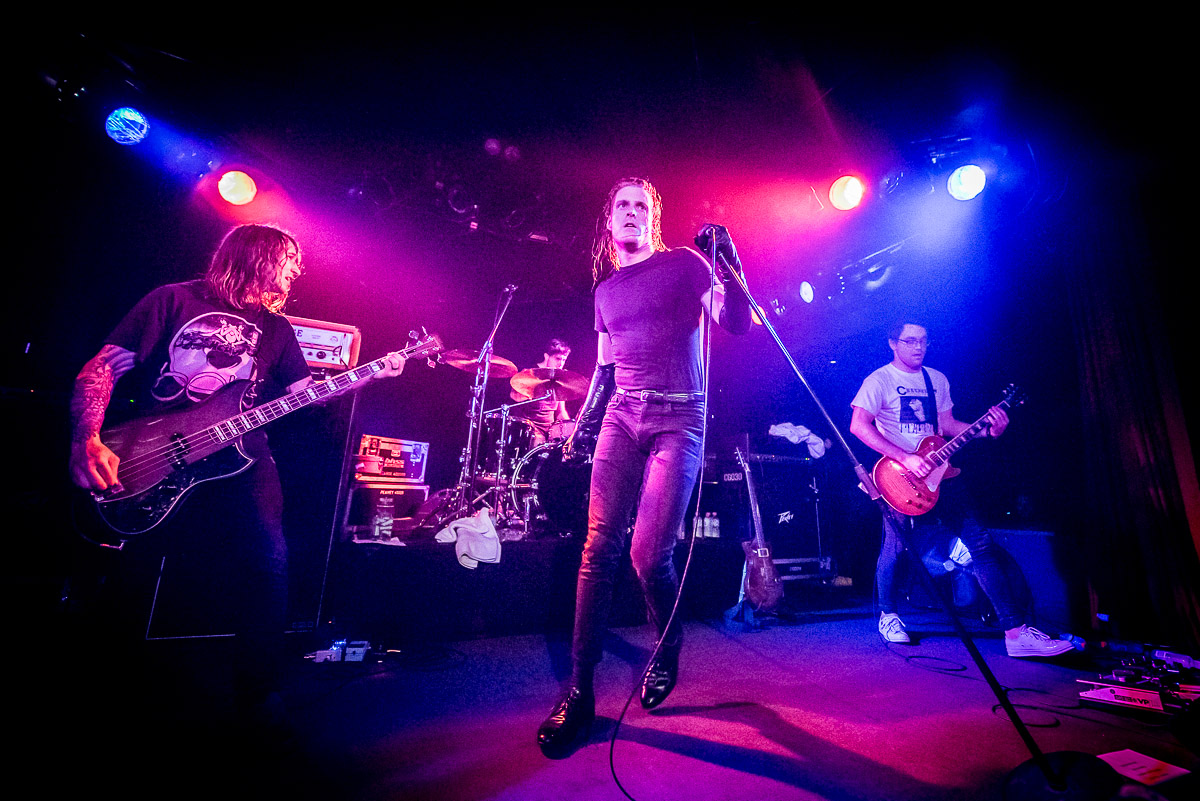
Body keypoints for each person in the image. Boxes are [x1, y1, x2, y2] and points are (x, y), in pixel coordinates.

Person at [68, 222, 406, 721]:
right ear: (259, 257)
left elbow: (302, 396)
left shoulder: (277, 329)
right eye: (288, 261)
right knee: (135, 564)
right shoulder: (172, 300)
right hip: (156, 448)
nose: (295, 272)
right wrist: (86, 438)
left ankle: (258, 694)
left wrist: (366, 375)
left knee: (269, 562)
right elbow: (100, 369)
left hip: (242, 457)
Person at [536, 177, 752, 754]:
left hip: (680, 419)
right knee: (597, 547)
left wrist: (731, 265)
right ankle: (579, 691)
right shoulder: (605, 291)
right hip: (622, 416)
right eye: (621, 205)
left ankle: (668, 642)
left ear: (651, 218)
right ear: (609, 221)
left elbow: (736, 322)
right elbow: (605, 368)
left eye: (640, 205)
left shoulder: (683, 264)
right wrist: (582, 427)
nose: (630, 212)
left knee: (648, 555)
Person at [849, 320, 1071, 658]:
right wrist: (904, 458)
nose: (918, 347)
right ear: (893, 343)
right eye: (910, 341)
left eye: (924, 341)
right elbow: (858, 425)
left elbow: (949, 425)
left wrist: (987, 431)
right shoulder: (879, 380)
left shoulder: (936, 379)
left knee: (980, 543)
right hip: (898, 477)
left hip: (943, 473)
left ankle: (1015, 633)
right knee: (895, 547)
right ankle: (889, 616)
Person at [511, 337, 574, 445]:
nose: (561, 364)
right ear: (546, 356)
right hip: (530, 428)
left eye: (564, 360)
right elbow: (514, 396)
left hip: (550, 431)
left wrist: (571, 430)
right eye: (558, 359)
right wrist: (531, 392)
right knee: (539, 440)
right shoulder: (529, 374)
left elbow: (561, 412)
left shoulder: (559, 381)